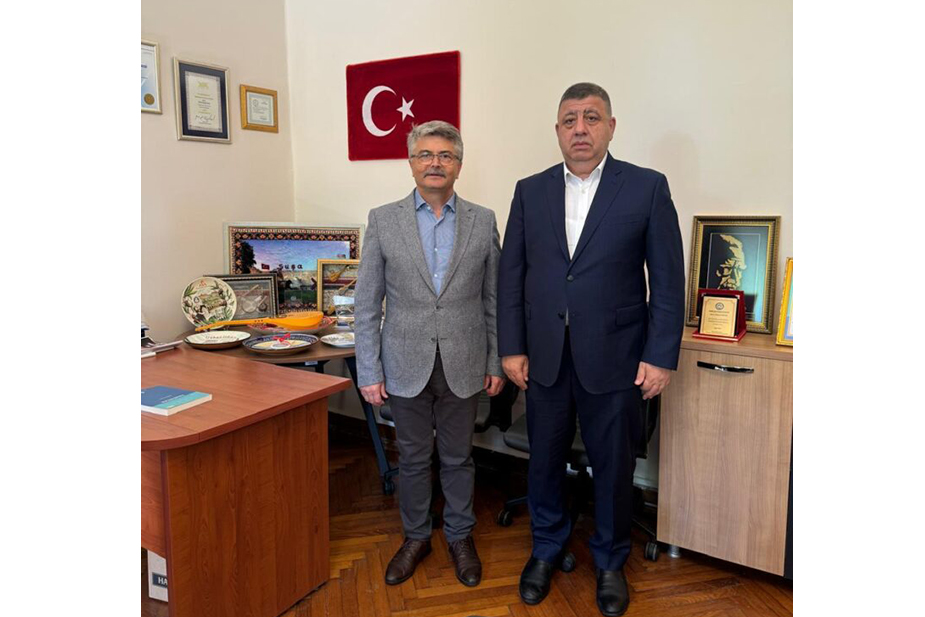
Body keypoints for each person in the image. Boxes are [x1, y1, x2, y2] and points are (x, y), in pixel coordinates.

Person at [497, 83, 685, 617]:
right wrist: (511, 347)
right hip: (545, 356)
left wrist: (661, 355)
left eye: (591, 117)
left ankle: (610, 560)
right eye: (570, 119)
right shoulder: (529, 191)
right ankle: (545, 549)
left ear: (611, 126)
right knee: (543, 461)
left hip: (618, 356)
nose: (580, 128)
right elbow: (512, 276)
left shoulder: (647, 188)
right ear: (557, 130)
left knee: (613, 465)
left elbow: (667, 281)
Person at [355, 120, 505, 588]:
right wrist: (368, 369)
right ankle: (416, 537)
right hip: (403, 362)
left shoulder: (483, 220)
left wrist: (495, 361)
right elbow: (367, 301)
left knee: (459, 458)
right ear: (411, 162)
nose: (435, 162)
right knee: (414, 459)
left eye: (445, 155)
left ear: (459, 164)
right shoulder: (383, 219)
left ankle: (460, 536)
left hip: (465, 361)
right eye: (425, 154)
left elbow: (494, 300)